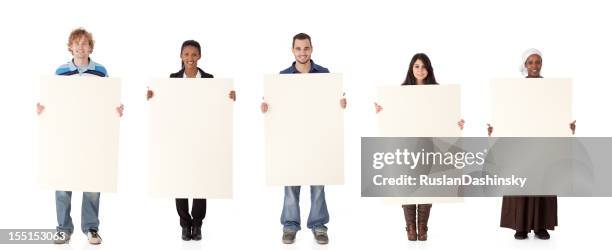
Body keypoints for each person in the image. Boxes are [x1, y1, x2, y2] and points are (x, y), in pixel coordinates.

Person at [37, 27, 123, 245]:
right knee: (62, 181)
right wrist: (44, 110)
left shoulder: (101, 72)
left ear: (91, 47)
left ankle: (91, 228)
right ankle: (63, 228)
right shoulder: (60, 72)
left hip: (93, 136)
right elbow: (56, 103)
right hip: (66, 136)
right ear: (70, 47)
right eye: (76, 43)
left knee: (93, 183)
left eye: (85, 43)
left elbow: (106, 101)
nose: (80, 47)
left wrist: (116, 110)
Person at [260, 33, 346, 245]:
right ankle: (290, 225)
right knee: (290, 181)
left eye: (306, 48)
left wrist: (340, 104)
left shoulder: (325, 75)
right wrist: (267, 108)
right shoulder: (282, 77)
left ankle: (318, 226)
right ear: (292, 50)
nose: (302, 52)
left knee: (318, 182)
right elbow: (278, 108)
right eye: (298, 49)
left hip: (318, 137)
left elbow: (330, 106)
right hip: (291, 138)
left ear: (312, 49)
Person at [147, 40, 235, 241]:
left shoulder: (210, 79)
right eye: (186, 54)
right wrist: (154, 97)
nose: (190, 59)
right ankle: (184, 224)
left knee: (201, 181)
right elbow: (167, 107)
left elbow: (217, 107)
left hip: (203, 138)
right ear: (180, 56)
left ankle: (198, 224)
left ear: (200, 56)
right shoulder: (172, 79)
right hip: (179, 138)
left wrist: (229, 97)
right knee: (180, 181)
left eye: (194, 55)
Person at [488, 48, 576, 240]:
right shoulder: (515, 90)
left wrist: (566, 126)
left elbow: (557, 114)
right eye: (530, 62)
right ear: (525, 65)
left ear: (541, 65)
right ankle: (520, 226)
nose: (534, 66)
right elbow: (508, 115)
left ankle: (541, 226)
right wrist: (497, 129)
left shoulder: (552, 90)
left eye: (538, 62)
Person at [375, 53, 464, 241]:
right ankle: (410, 227)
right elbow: (393, 118)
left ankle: (423, 226)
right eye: (416, 66)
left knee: (427, 184)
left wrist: (457, 124)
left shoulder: (439, 92)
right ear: (411, 69)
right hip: (407, 144)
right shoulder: (401, 92)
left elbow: (446, 117)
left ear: (429, 69)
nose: (420, 70)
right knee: (407, 184)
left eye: (424, 66)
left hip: (430, 144)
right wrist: (383, 111)